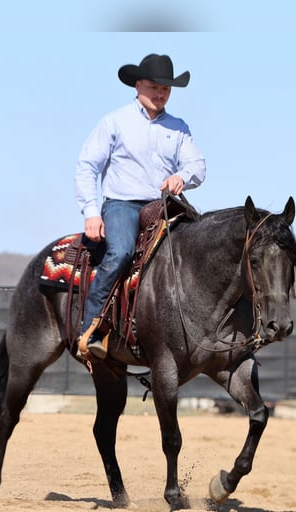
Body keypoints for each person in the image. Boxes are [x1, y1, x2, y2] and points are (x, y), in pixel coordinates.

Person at [74, 53, 206, 359]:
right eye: (154, 86)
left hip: (164, 205)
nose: (160, 93)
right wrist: (92, 213)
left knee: (196, 254)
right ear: (138, 85)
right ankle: (91, 329)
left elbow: (197, 164)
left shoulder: (179, 127)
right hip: (122, 204)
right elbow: (87, 167)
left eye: (166, 89)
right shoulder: (114, 121)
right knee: (120, 252)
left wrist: (182, 176)